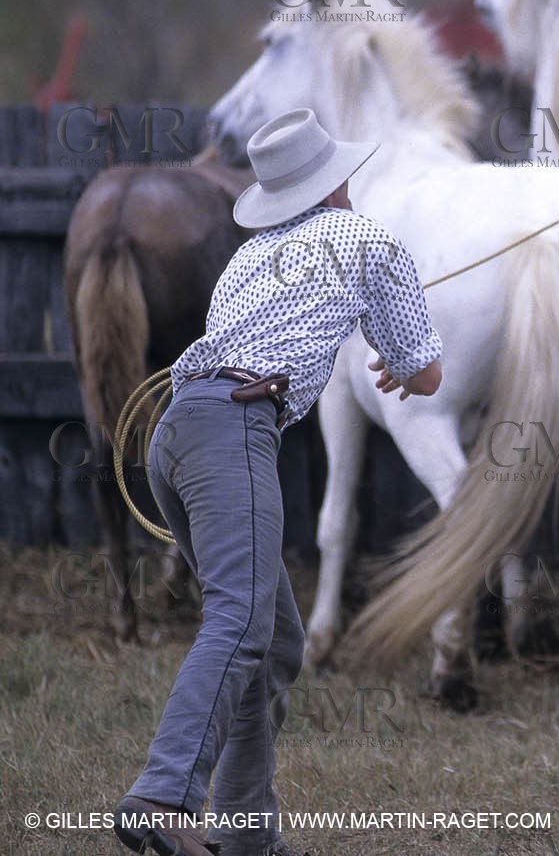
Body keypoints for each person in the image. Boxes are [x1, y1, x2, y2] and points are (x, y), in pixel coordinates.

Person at [114, 108, 444, 856]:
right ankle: (163, 796)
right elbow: (426, 372)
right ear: (336, 186)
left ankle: (245, 835)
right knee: (241, 619)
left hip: (176, 433)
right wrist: (405, 362)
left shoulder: (248, 257)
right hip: (233, 424)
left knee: (274, 640)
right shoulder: (367, 237)